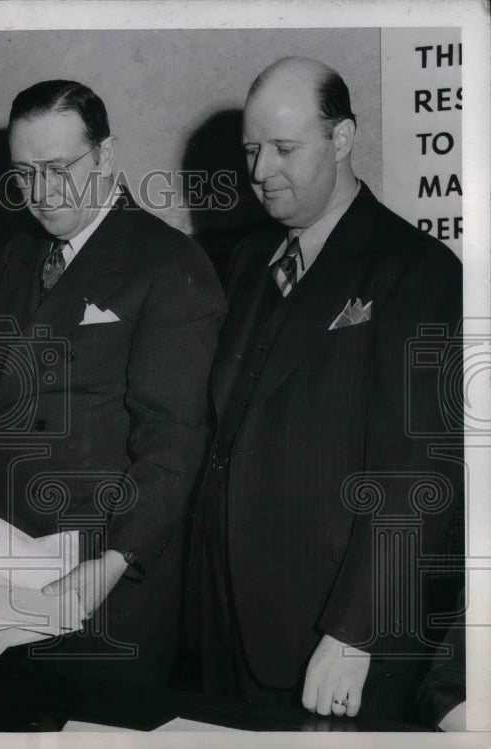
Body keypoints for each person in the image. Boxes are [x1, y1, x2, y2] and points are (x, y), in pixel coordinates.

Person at [0, 80, 225, 722]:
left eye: (58, 169)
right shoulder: (20, 255)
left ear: (107, 155)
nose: (42, 192)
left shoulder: (170, 265)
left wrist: (114, 561)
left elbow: (173, 443)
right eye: (24, 174)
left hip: (103, 584)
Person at [190, 57, 463, 723]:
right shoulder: (247, 261)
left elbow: (417, 472)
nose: (261, 170)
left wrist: (354, 631)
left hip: (335, 637)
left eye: (284, 148)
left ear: (342, 139)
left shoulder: (419, 270)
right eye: (251, 150)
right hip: (227, 625)